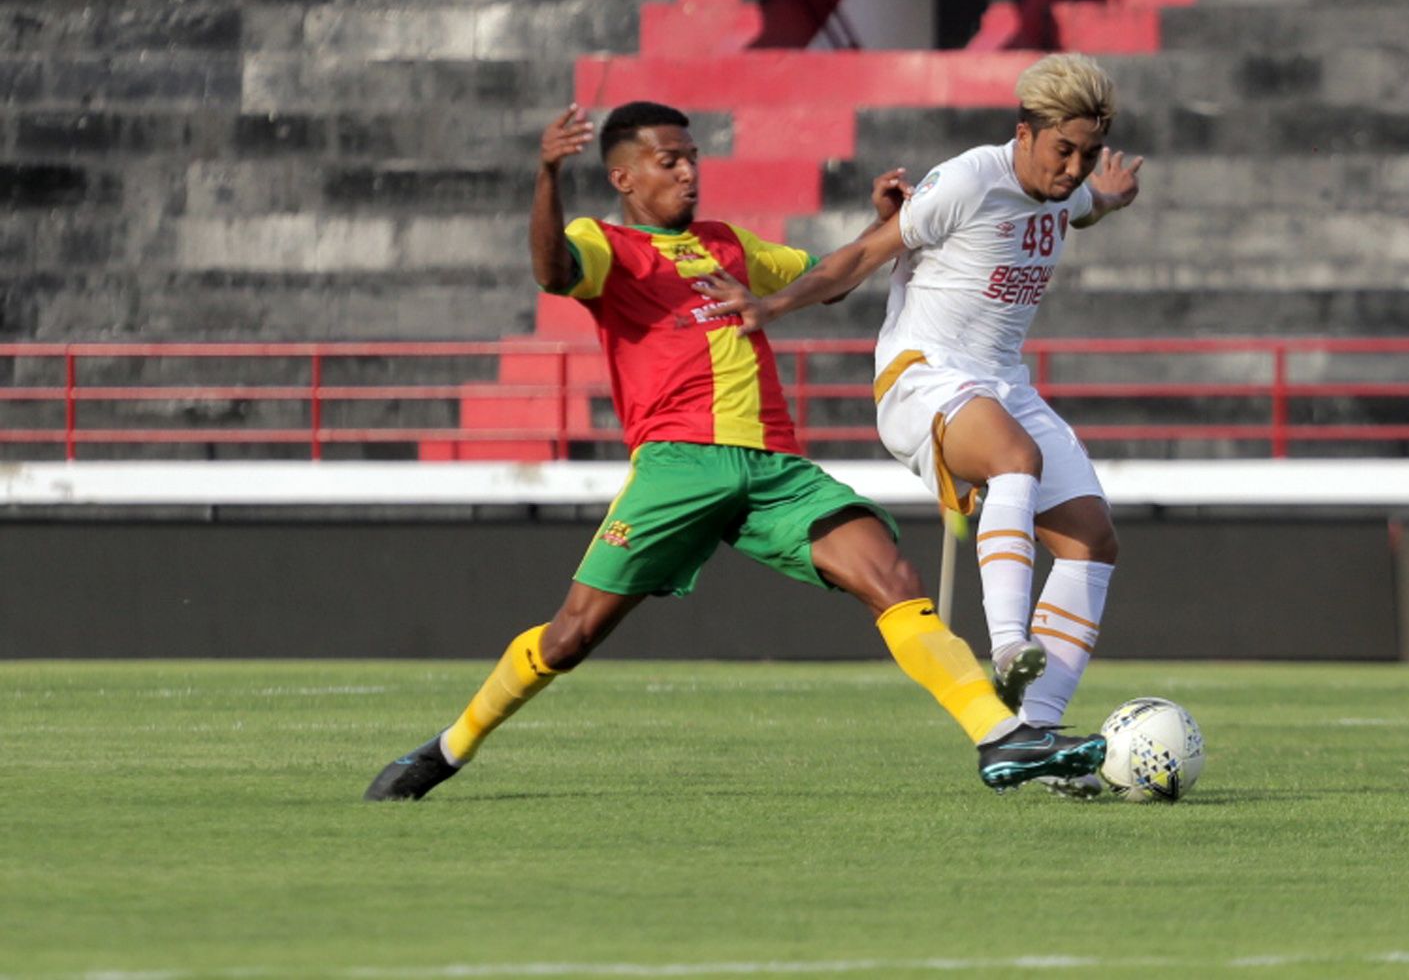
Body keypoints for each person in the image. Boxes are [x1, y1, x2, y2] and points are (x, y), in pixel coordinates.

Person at [364, 100, 1107, 801]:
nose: (688, 172)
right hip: (678, 466)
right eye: (668, 162)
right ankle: (447, 749)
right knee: (570, 636)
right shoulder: (607, 245)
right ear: (623, 176)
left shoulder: (727, 243)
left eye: (692, 159)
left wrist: (881, 223)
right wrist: (549, 174)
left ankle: (999, 736)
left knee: (889, 574)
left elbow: (827, 278)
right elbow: (553, 271)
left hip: (774, 471)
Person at [692, 54, 1143, 798]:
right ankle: (1006, 646)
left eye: (1087, 154)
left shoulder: (1067, 192)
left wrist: (1111, 195)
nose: (1073, 168)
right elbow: (862, 256)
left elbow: (1083, 205)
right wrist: (772, 307)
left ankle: (1039, 736)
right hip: (922, 378)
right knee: (1014, 459)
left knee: (1093, 538)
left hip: (1001, 382)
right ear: (1023, 132)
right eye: (1062, 150)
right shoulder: (968, 179)